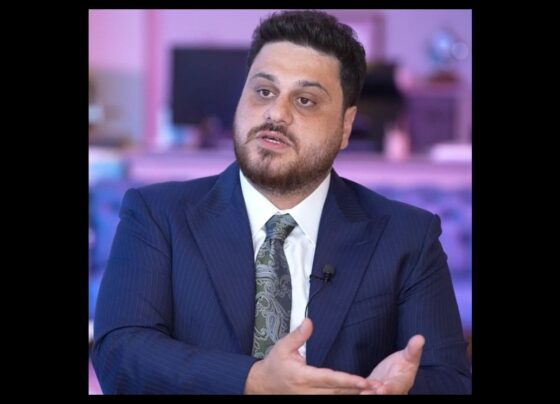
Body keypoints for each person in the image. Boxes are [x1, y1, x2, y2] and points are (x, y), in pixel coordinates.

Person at [91, 10, 472, 394]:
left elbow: (449, 380)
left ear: (345, 126)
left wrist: (389, 390)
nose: (276, 113)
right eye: (264, 92)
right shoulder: (158, 214)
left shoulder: (408, 237)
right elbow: (119, 352)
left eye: (305, 100)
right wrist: (252, 381)